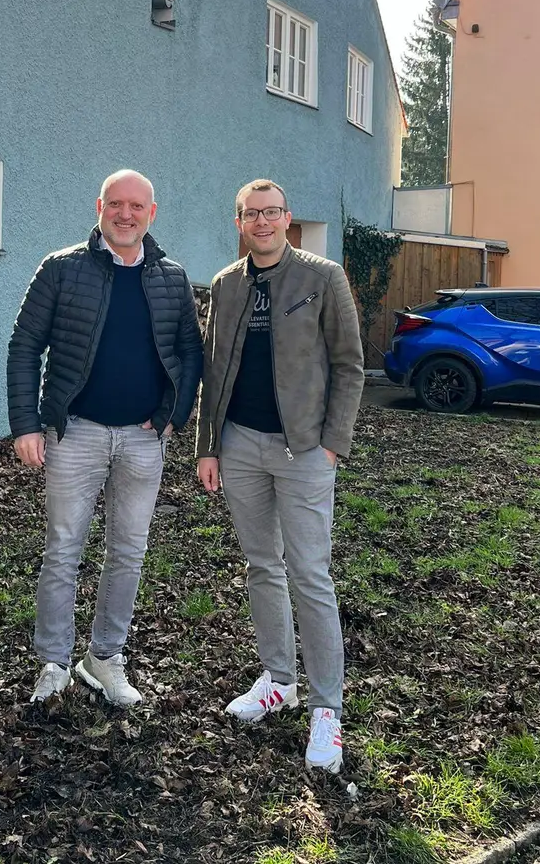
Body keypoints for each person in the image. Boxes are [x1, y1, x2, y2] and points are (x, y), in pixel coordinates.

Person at [6, 169, 203, 706]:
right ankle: (52, 663)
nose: (125, 214)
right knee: (64, 549)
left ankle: (104, 657)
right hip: (76, 434)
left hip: (144, 440)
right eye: (116, 204)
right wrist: (26, 423)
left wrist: (173, 415)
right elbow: (24, 346)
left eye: (136, 206)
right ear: (99, 207)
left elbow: (190, 354)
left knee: (129, 551)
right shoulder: (62, 269)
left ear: (152, 214)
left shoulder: (171, 277)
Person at [194, 179, 364, 773]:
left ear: (287, 218)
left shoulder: (322, 277)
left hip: (305, 451)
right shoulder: (225, 285)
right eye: (251, 214)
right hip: (240, 445)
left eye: (272, 212)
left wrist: (333, 446)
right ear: (238, 220)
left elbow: (349, 364)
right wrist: (208, 447)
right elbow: (214, 372)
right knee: (260, 564)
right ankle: (278, 680)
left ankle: (327, 710)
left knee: (310, 574)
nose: (262, 222)